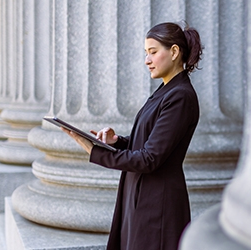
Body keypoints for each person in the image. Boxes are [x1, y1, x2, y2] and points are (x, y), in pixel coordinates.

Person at [63, 22, 202, 250]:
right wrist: (116, 142)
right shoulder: (166, 91)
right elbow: (150, 142)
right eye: (146, 53)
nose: (147, 60)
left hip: (157, 205)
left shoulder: (180, 96)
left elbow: (150, 158)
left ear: (175, 52)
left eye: (153, 52)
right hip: (141, 196)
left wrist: (96, 152)